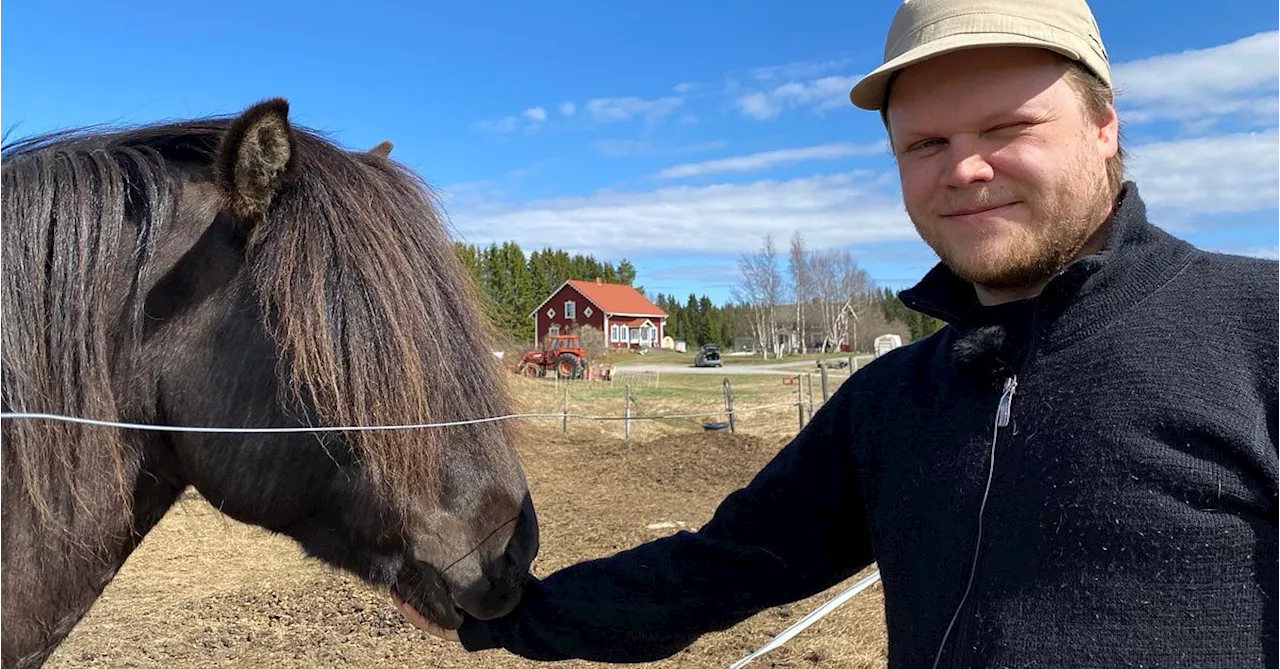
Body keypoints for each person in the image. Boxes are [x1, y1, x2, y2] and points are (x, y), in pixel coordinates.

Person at [396, 0, 1280, 666]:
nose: (965, 168)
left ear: (1104, 125)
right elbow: (716, 570)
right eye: (924, 143)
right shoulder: (892, 403)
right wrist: (500, 614)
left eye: (1008, 128)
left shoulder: (1258, 332)